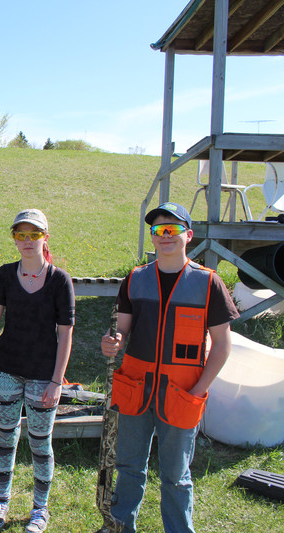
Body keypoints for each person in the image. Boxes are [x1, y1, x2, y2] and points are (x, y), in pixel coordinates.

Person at [100, 202, 239, 533]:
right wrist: (113, 341)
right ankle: (120, 527)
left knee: (176, 476)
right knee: (129, 466)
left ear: (188, 236)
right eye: (158, 230)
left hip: (182, 392)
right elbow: (121, 329)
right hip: (136, 388)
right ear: (152, 237)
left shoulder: (209, 284)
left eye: (173, 229)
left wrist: (200, 388)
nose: (165, 236)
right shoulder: (135, 279)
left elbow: (222, 344)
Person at [0, 208, 74, 532]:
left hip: (44, 376)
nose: (27, 241)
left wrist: (57, 380)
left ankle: (40, 510)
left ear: (45, 237)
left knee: (41, 443)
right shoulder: (3, 275)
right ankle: (1, 501)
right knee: (6, 439)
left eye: (34, 234)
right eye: (20, 235)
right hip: (6, 371)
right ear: (14, 238)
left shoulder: (60, 281)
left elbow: (65, 334)